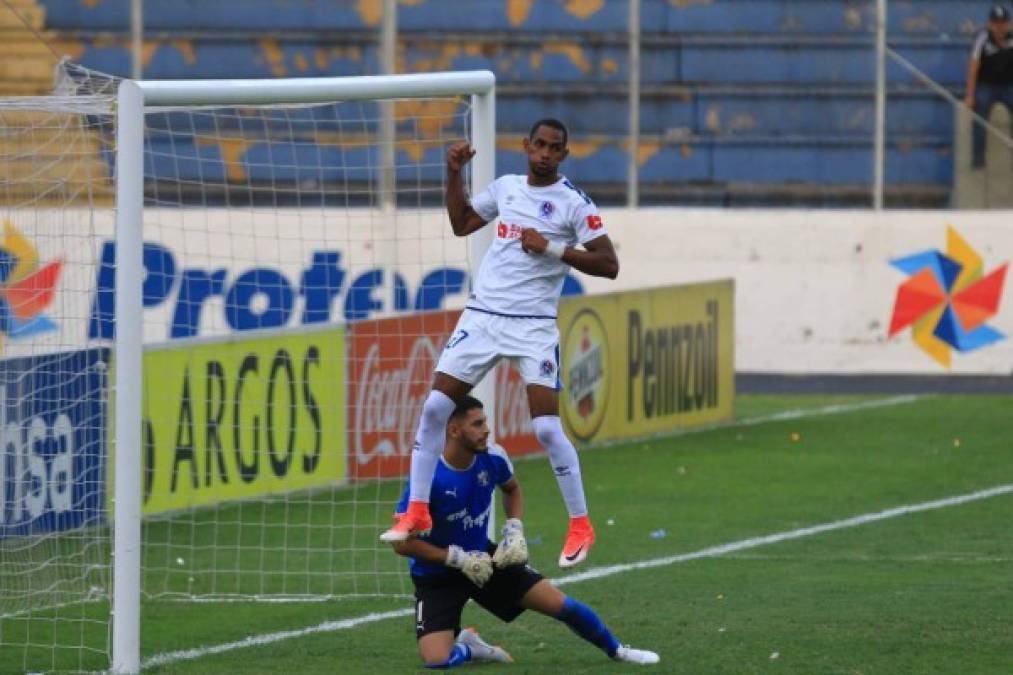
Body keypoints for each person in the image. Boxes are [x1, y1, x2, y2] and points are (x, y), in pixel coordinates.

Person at [381, 118, 619, 569]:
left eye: (555, 148)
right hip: (484, 316)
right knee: (434, 408)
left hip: (532, 326)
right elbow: (463, 222)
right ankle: (416, 509)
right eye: (539, 145)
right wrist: (453, 173)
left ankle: (581, 523)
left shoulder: (573, 204)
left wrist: (550, 248)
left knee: (547, 428)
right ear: (526, 146)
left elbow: (609, 265)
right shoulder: (507, 188)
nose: (545, 153)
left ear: (564, 155)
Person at [388, 396, 660, 669]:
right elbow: (401, 544)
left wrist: (514, 528)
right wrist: (455, 559)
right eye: (477, 424)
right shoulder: (428, 476)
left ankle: (618, 651)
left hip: (486, 561)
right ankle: (471, 648)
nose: (486, 430)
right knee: (437, 660)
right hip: (437, 575)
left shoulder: (493, 457)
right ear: (454, 431)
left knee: (561, 605)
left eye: (485, 422)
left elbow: (512, 489)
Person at [964, 4, 1013, 168]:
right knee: (979, 116)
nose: (1000, 27)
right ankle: (978, 161)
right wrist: (970, 95)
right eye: (996, 23)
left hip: (1009, 85)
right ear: (990, 24)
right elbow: (973, 66)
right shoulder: (982, 38)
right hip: (987, 85)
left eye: (1003, 23)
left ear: (1009, 24)